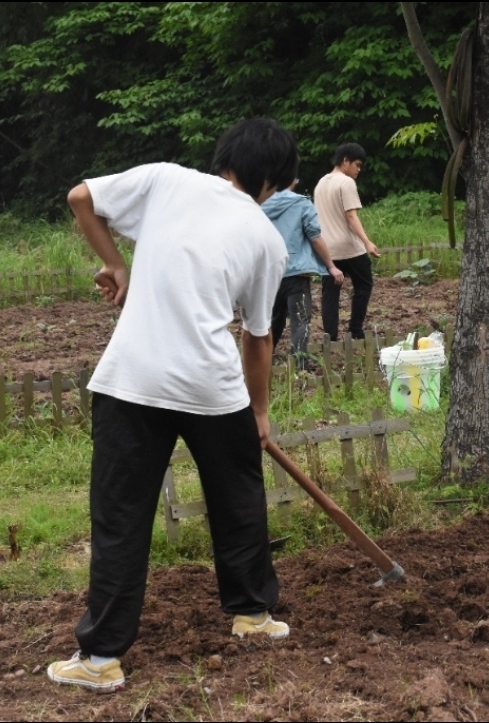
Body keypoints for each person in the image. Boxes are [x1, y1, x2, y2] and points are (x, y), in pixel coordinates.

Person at [47, 118, 299, 694]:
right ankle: (253, 616)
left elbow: (81, 198)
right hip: (213, 388)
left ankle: (101, 659)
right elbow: (257, 338)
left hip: (131, 380)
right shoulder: (264, 237)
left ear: (225, 158)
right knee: (238, 501)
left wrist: (117, 265)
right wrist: (258, 413)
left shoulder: (167, 181)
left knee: (120, 517)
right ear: (274, 183)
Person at [262, 176, 345, 370]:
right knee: (300, 320)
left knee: (274, 318)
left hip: (270, 273)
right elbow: (315, 237)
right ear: (293, 179)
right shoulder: (301, 204)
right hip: (296, 273)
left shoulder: (260, 207)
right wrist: (331, 266)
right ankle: (300, 364)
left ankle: (265, 358)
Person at [314, 143, 380, 341]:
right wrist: (367, 242)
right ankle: (355, 330)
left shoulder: (321, 183)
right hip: (348, 247)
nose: (358, 170)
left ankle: (330, 337)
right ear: (345, 161)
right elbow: (351, 216)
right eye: (357, 165)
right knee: (364, 284)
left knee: (330, 294)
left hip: (327, 248)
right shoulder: (346, 183)